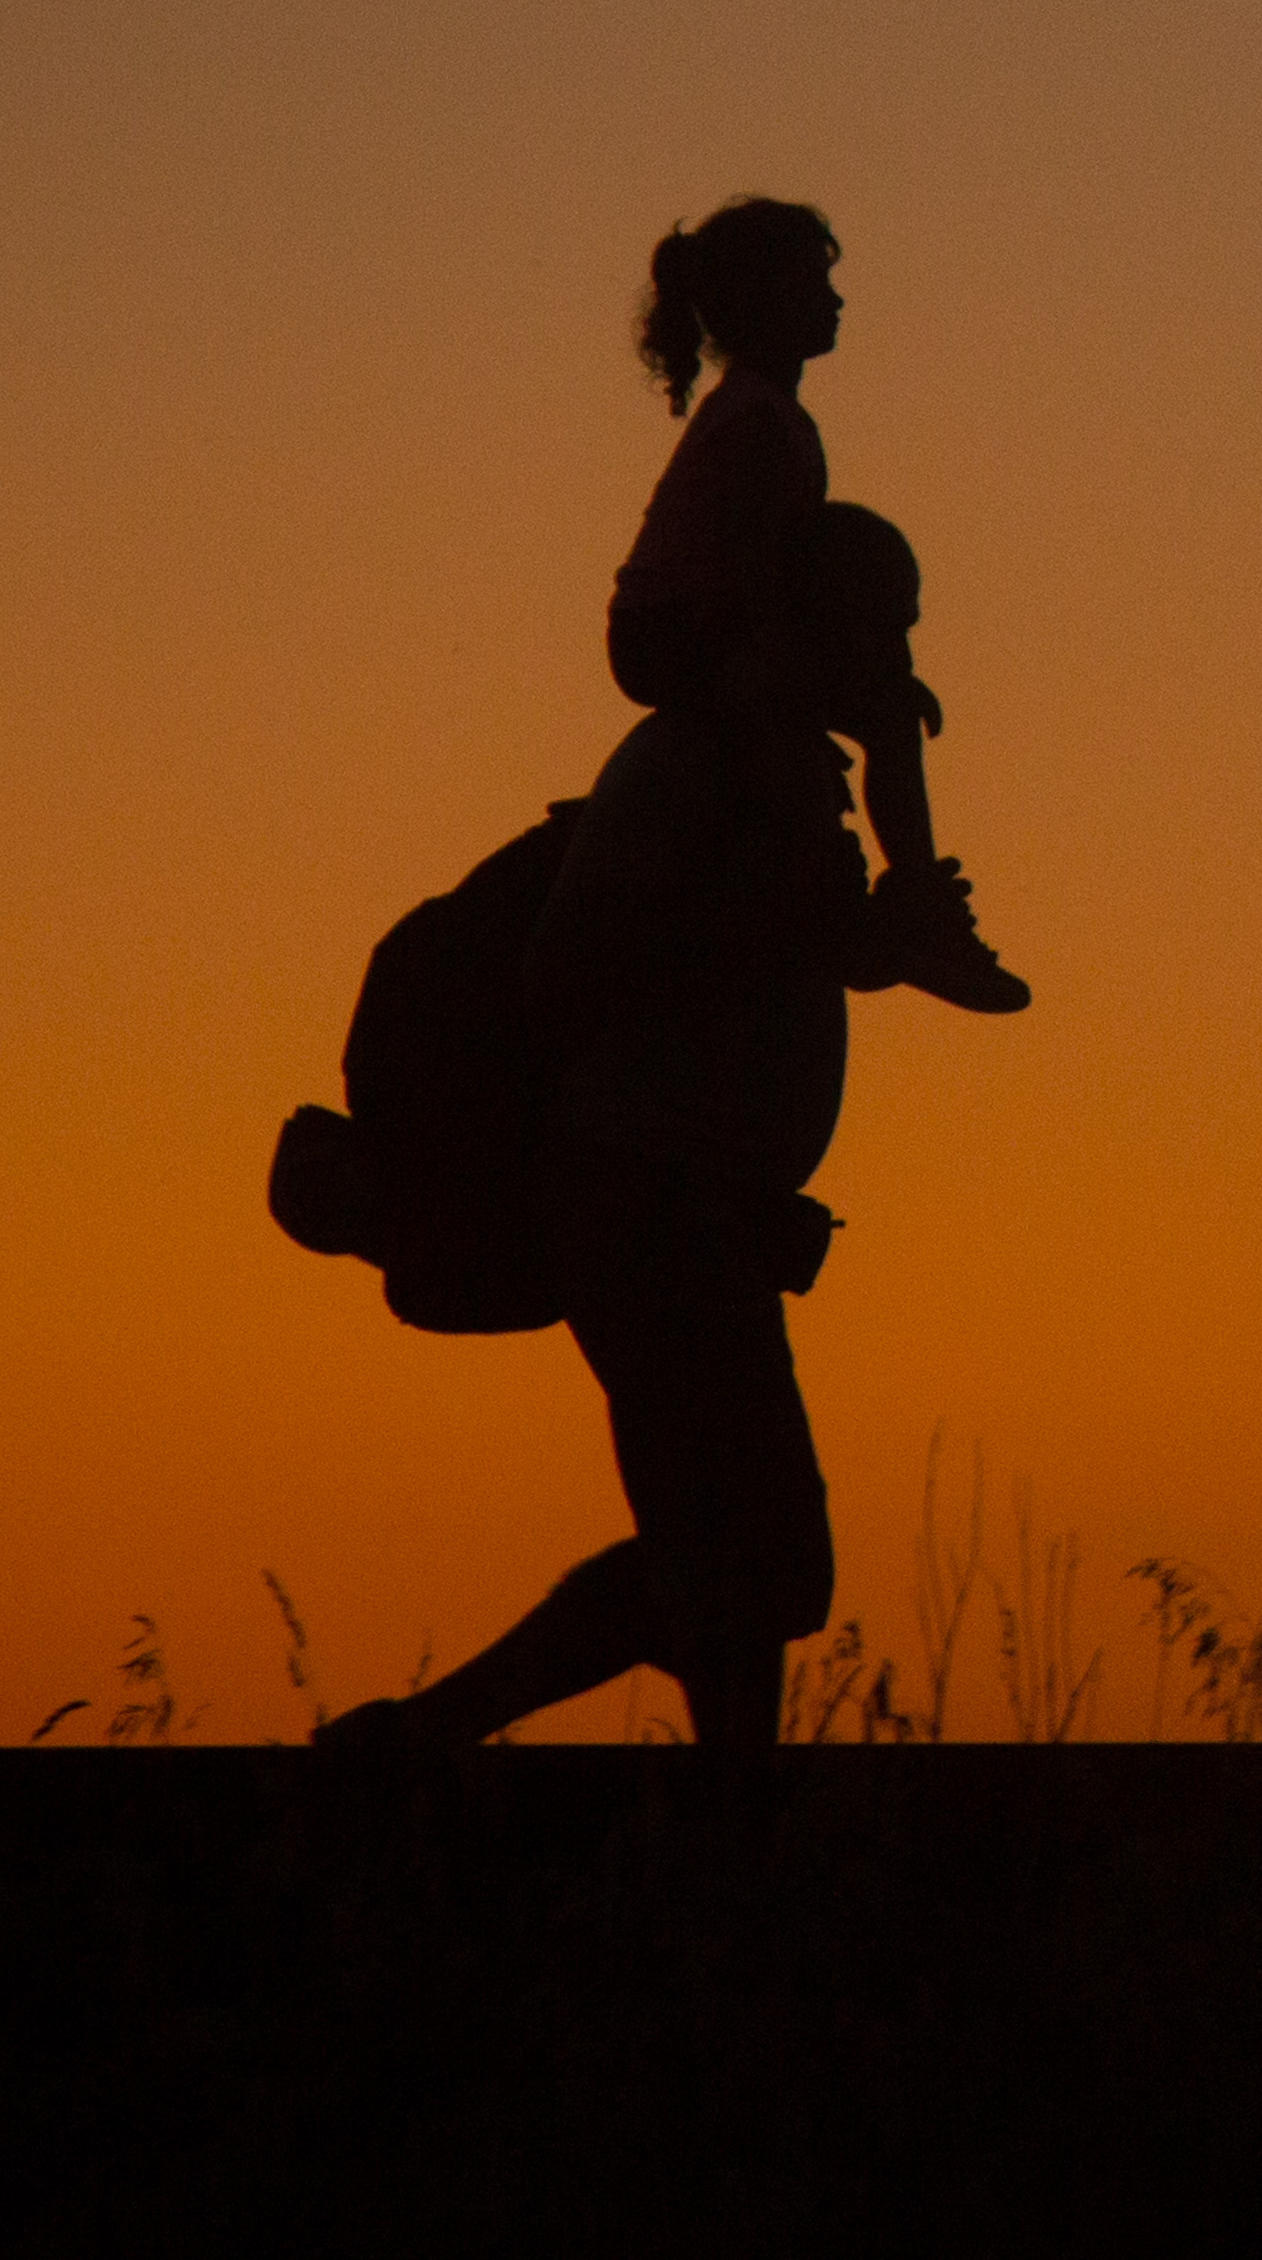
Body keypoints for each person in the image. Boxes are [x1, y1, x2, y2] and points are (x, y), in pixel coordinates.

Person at [319, 502, 936, 1749]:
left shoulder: (771, 774)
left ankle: (687, 1809)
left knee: (737, 1559)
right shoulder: (689, 763)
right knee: (749, 1556)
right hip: (651, 1210)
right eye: (886, 626)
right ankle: (436, 1738)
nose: (904, 657)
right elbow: (572, 965)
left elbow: (773, 955)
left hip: (697, 1217)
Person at [617, 196, 1028, 1015]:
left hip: (689, 628)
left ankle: (903, 901)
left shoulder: (768, 414)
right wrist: (816, 671)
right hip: (685, 636)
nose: (834, 302)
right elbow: (752, 569)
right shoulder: (761, 424)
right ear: (764, 299)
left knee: (883, 702)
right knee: (883, 715)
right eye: (814, 284)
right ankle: (911, 904)